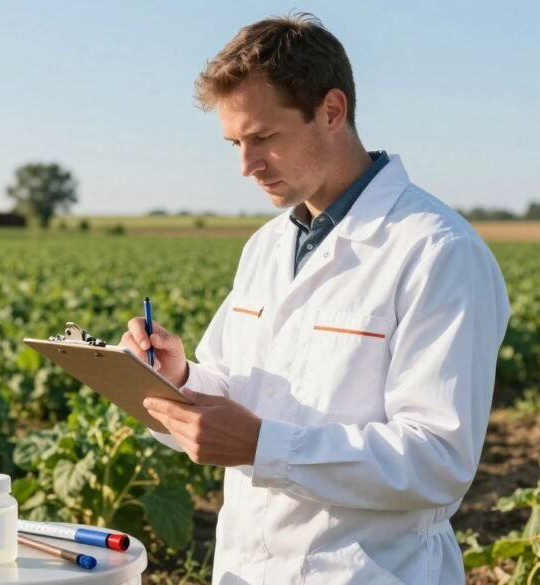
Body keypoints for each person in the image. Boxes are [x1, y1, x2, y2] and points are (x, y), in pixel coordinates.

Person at [121, 13, 510, 585]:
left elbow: (437, 460)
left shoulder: (436, 250)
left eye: (264, 139)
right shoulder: (267, 246)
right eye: (234, 143)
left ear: (332, 111)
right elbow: (237, 389)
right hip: (245, 569)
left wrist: (261, 446)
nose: (246, 166)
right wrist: (179, 381)